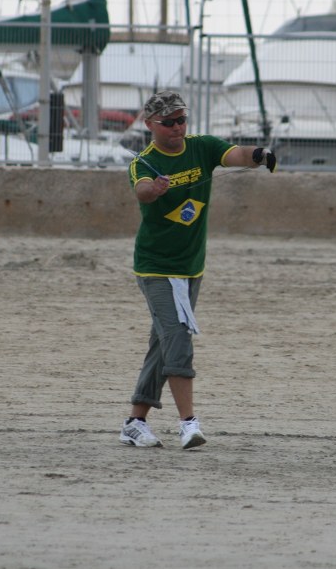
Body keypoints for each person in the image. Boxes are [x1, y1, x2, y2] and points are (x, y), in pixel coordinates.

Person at [120, 90, 276, 449]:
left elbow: (234, 154)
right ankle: (188, 423)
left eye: (181, 120)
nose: (177, 127)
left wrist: (258, 155)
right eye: (168, 122)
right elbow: (142, 191)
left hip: (191, 267)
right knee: (177, 338)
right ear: (150, 125)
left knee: (162, 343)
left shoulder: (200, 146)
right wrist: (155, 189)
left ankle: (134, 422)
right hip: (156, 267)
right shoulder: (144, 163)